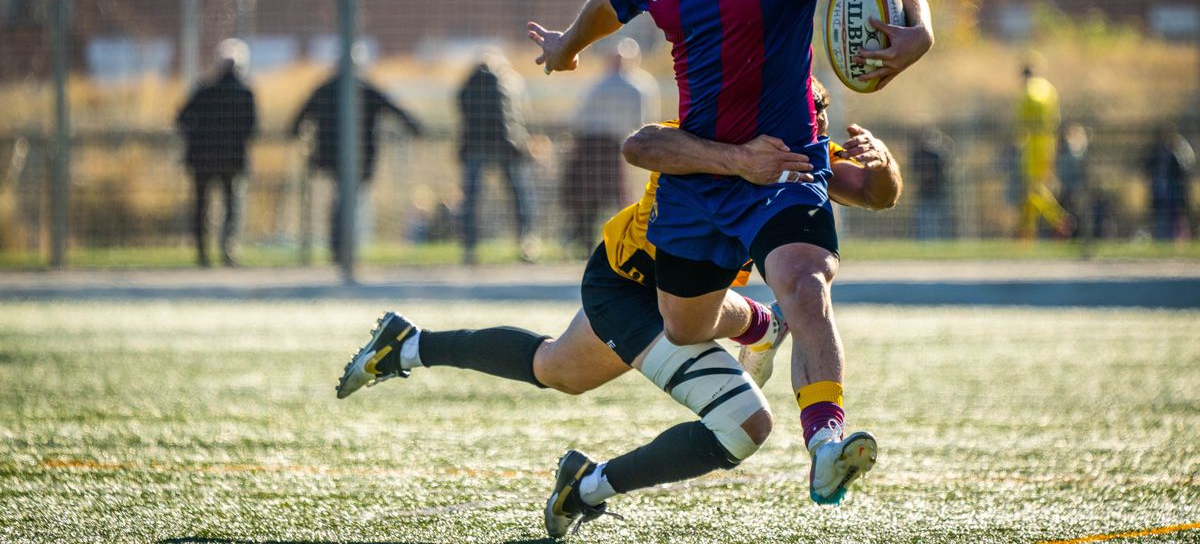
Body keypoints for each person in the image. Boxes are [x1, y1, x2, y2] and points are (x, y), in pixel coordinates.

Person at [526, 0, 933, 507]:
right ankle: (759, 328)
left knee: (805, 284)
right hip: (700, 175)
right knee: (683, 324)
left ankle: (827, 442)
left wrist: (919, 33)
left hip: (784, 165)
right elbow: (613, 1)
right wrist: (569, 42)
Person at [336, 78, 903, 536]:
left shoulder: (799, 152)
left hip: (663, 295)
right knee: (744, 425)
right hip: (630, 288)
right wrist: (734, 159)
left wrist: (881, 163)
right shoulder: (719, 141)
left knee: (555, 368)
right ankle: (588, 486)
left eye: (812, 131)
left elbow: (877, 192)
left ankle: (408, 344)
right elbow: (642, 144)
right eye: (798, 129)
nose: (808, 145)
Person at [290, 45, 423, 259]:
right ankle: (344, 249)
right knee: (347, 202)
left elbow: (300, 115)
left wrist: (295, 132)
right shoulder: (364, 88)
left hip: (331, 156)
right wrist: (416, 127)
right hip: (358, 157)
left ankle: (340, 247)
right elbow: (394, 108)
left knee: (342, 201)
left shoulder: (326, 88)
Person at [561, 37, 660, 249]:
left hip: (594, 144)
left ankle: (589, 242)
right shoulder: (642, 85)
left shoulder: (602, 84)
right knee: (619, 196)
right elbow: (645, 119)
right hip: (620, 145)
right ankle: (627, 242)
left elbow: (579, 116)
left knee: (588, 196)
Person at [175, 38, 257, 267]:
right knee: (231, 205)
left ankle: (202, 253)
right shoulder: (245, 94)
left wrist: (199, 136)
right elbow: (252, 128)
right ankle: (227, 250)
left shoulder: (204, 90)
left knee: (201, 204)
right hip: (232, 159)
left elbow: (181, 118)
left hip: (202, 159)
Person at [458, 49, 540, 265]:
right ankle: (527, 242)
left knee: (471, 198)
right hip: (506, 145)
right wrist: (520, 143)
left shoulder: (467, 84)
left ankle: (469, 247)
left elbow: (460, 110)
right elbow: (516, 117)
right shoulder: (509, 81)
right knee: (521, 195)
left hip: (474, 146)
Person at [1014, 55, 1073, 239]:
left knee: (1034, 189)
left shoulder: (1028, 92)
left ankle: (1060, 219)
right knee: (1035, 189)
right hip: (1049, 142)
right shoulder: (1049, 89)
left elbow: (1022, 122)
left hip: (1032, 144)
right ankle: (1026, 232)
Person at [1144, 125, 1195, 241]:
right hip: (1159, 191)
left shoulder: (1177, 151)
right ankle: (1162, 238)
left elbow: (1186, 165)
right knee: (1160, 216)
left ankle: (1178, 239)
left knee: (1176, 215)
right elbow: (1146, 166)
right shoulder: (1155, 151)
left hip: (1174, 190)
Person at [912, 127, 953, 240]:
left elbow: (942, 173)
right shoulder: (918, 154)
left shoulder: (937, 155)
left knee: (940, 219)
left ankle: (943, 240)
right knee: (924, 219)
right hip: (925, 193)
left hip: (938, 191)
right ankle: (925, 241)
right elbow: (916, 173)